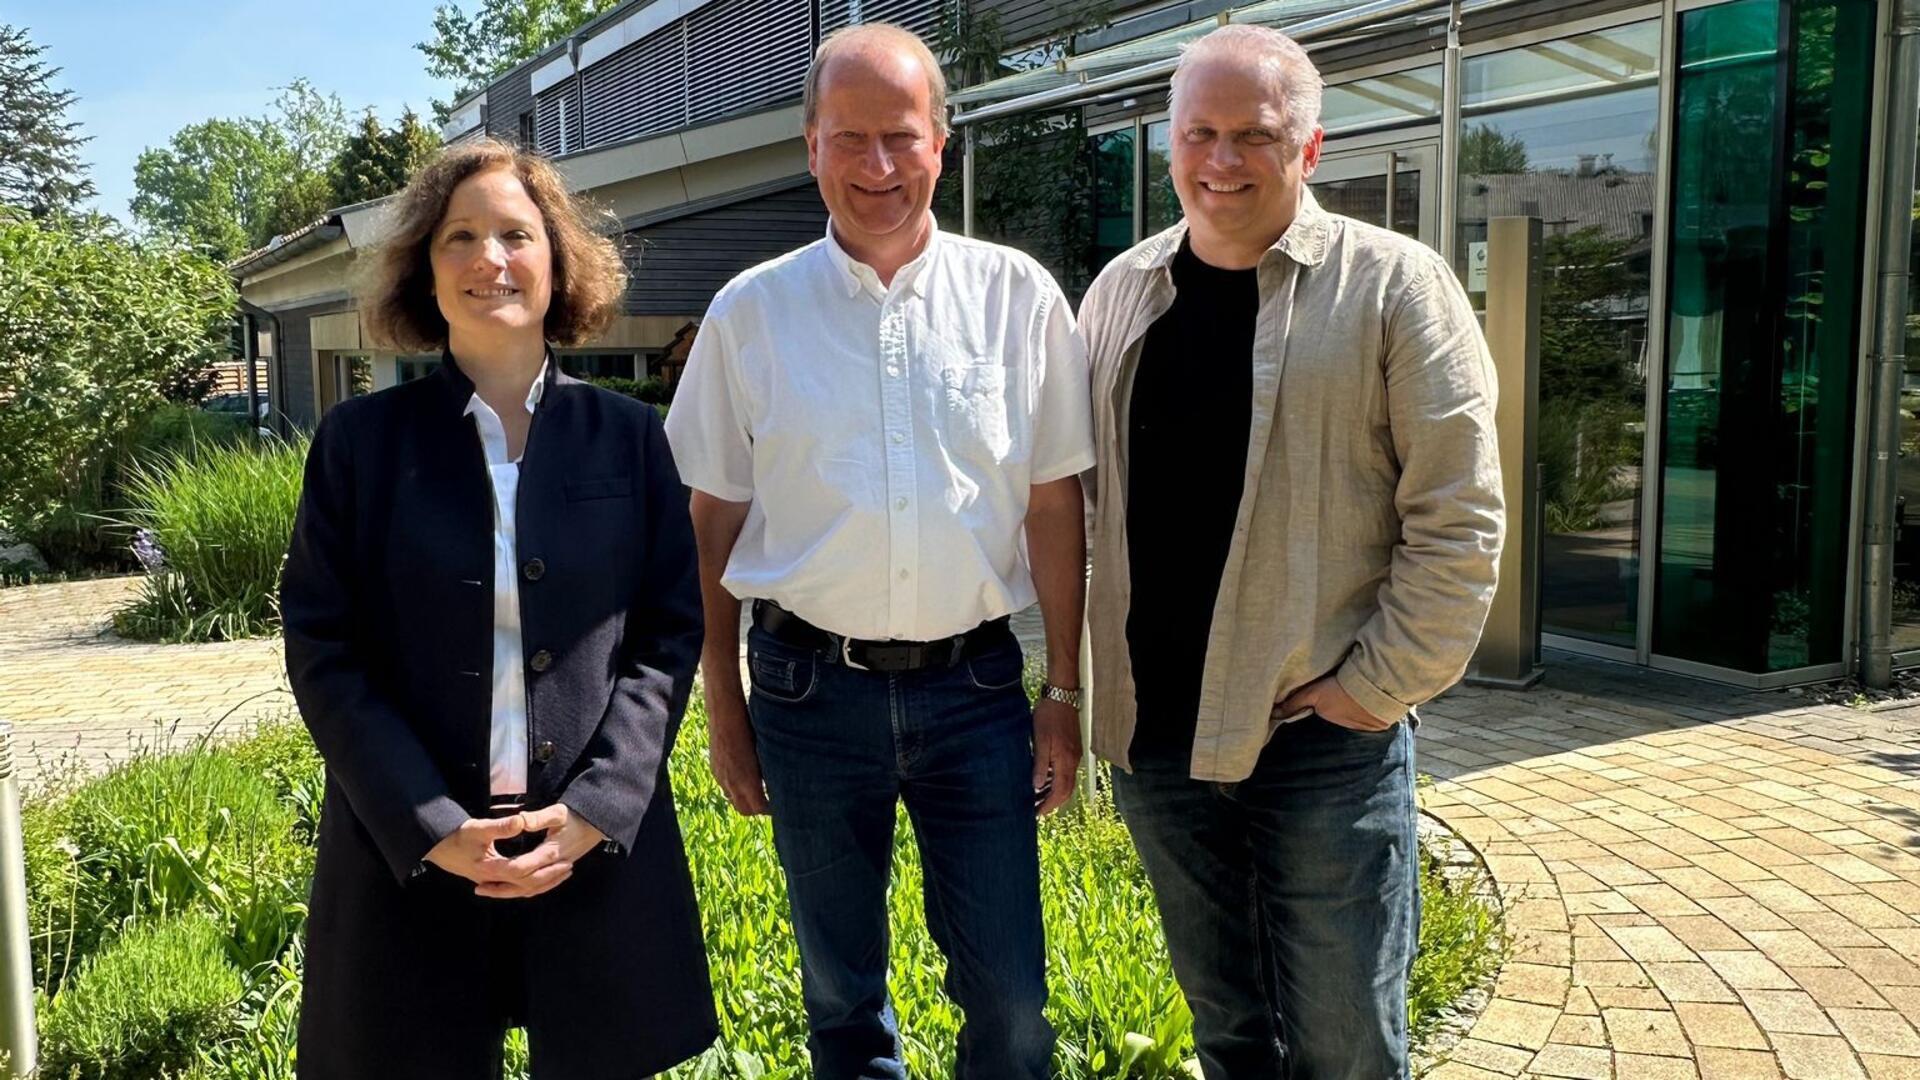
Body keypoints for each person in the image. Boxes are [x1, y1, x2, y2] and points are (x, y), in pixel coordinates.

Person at [664, 22, 1094, 1080]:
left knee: (1011, 999)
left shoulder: (1017, 299)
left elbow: (1053, 506)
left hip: (978, 690)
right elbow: (707, 526)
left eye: (901, 136)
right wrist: (723, 701)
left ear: (941, 140)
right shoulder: (749, 315)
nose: (878, 166)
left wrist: (1064, 691)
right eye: (849, 139)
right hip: (810, 697)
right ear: (810, 145)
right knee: (840, 996)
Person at [1076, 25, 1505, 1080]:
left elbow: (1460, 518)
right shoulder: (1122, 293)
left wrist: (1373, 690)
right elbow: (1076, 502)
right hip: (1158, 745)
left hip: (1321, 746)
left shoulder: (1397, 288)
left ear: (1309, 148)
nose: (1222, 161)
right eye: (1200, 133)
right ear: (1169, 143)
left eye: (1254, 135)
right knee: (1228, 1035)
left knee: (1346, 1047)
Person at [281, 138, 716, 1079]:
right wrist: (430, 823)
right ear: (423, 271)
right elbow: (323, 648)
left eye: (516, 234)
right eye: (460, 238)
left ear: (557, 261)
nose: (491, 259)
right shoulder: (359, 445)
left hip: (588, 853)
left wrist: (601, 804)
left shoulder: (632, 439)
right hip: (411, 858)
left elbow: (668, 634)